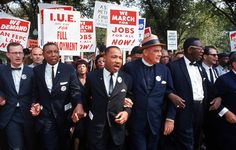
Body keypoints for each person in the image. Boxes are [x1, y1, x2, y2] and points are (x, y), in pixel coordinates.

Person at [122, 34, 184, 150]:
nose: (160, 54)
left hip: (156, 123)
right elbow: (122, 91)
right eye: (156, 51)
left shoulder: (164, 70)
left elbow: (170, 94)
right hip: (135, 123)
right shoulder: (129, 68)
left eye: (160, 51)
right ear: (145, 52)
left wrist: (170, 119)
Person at [30, 42, 85, 150]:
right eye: (49, 52)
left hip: (64, 116)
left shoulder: (68, 69)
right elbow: (35, 91)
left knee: (65, 145)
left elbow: (75, 90)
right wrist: (34, 104)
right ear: (44, 55)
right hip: (46, 117)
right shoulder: (37, 70)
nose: (53, 54)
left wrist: (78, 104)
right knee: (49, 145)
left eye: (55, 51)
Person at [84, 46, 133, 150]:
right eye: (114, 57)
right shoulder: (92, 77)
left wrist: (126, 113)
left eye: (120, 58)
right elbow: (85, 98)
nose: (118, 61)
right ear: (104, 58)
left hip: (117, 130)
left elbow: (130, 101)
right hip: (96, 130)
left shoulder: (127, 78)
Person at [166, 37, 209, 150]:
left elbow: (207, 88)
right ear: (190, 50)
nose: (202, 51)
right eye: (200, 48)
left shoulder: (200, 68)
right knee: (186, 144)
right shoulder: (173, 67)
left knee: (197, 141)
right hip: (184, 110)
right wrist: (170, 94)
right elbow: (166, 88)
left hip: (200, 110)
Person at [0, 42, 35, 149]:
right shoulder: (1, 70)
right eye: (14, 53)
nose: (18, 55)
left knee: (30, 144)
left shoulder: (32, 72)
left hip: (29, 113)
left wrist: (35, 103)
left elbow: (36, 91)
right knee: (16, 147)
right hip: (10, 114)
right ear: (8, 54)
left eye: (20, 52)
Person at [213, 51, 236, 150]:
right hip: (230, 126)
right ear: (234, 64)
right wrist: (225, 112)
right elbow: (213, 99)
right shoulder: (223, 80)